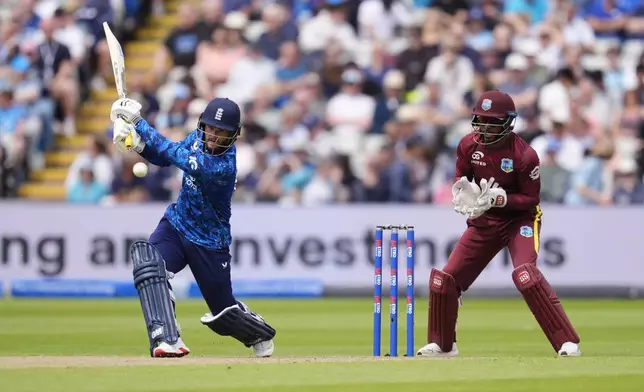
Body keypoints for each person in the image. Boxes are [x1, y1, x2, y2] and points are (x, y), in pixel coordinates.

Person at [417, 90, 581, 358]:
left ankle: (567, 342)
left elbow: (530, 199)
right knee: (444, 280)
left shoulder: (525, 155)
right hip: (485, 221)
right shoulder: (468, 145)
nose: (484, 128)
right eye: (480, 121)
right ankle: (443, 345)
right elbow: (461, 179)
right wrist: (463, 194)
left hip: (520, 220)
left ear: (508, 122)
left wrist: (500, 198)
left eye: (491, 122)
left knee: (526, 275)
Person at [109, 97, 276, 358]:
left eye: (221, 132)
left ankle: (258, 331)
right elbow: (164, 156)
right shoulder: (199, 138)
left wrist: (138, 123)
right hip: (176, 225)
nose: (213, 136)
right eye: (210, 128)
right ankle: (166, 338)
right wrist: (134, 143)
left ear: (234, 135)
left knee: (223, 315)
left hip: (209, 242)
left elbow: (176, 157)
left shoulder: (223, 166)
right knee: (149, 264)